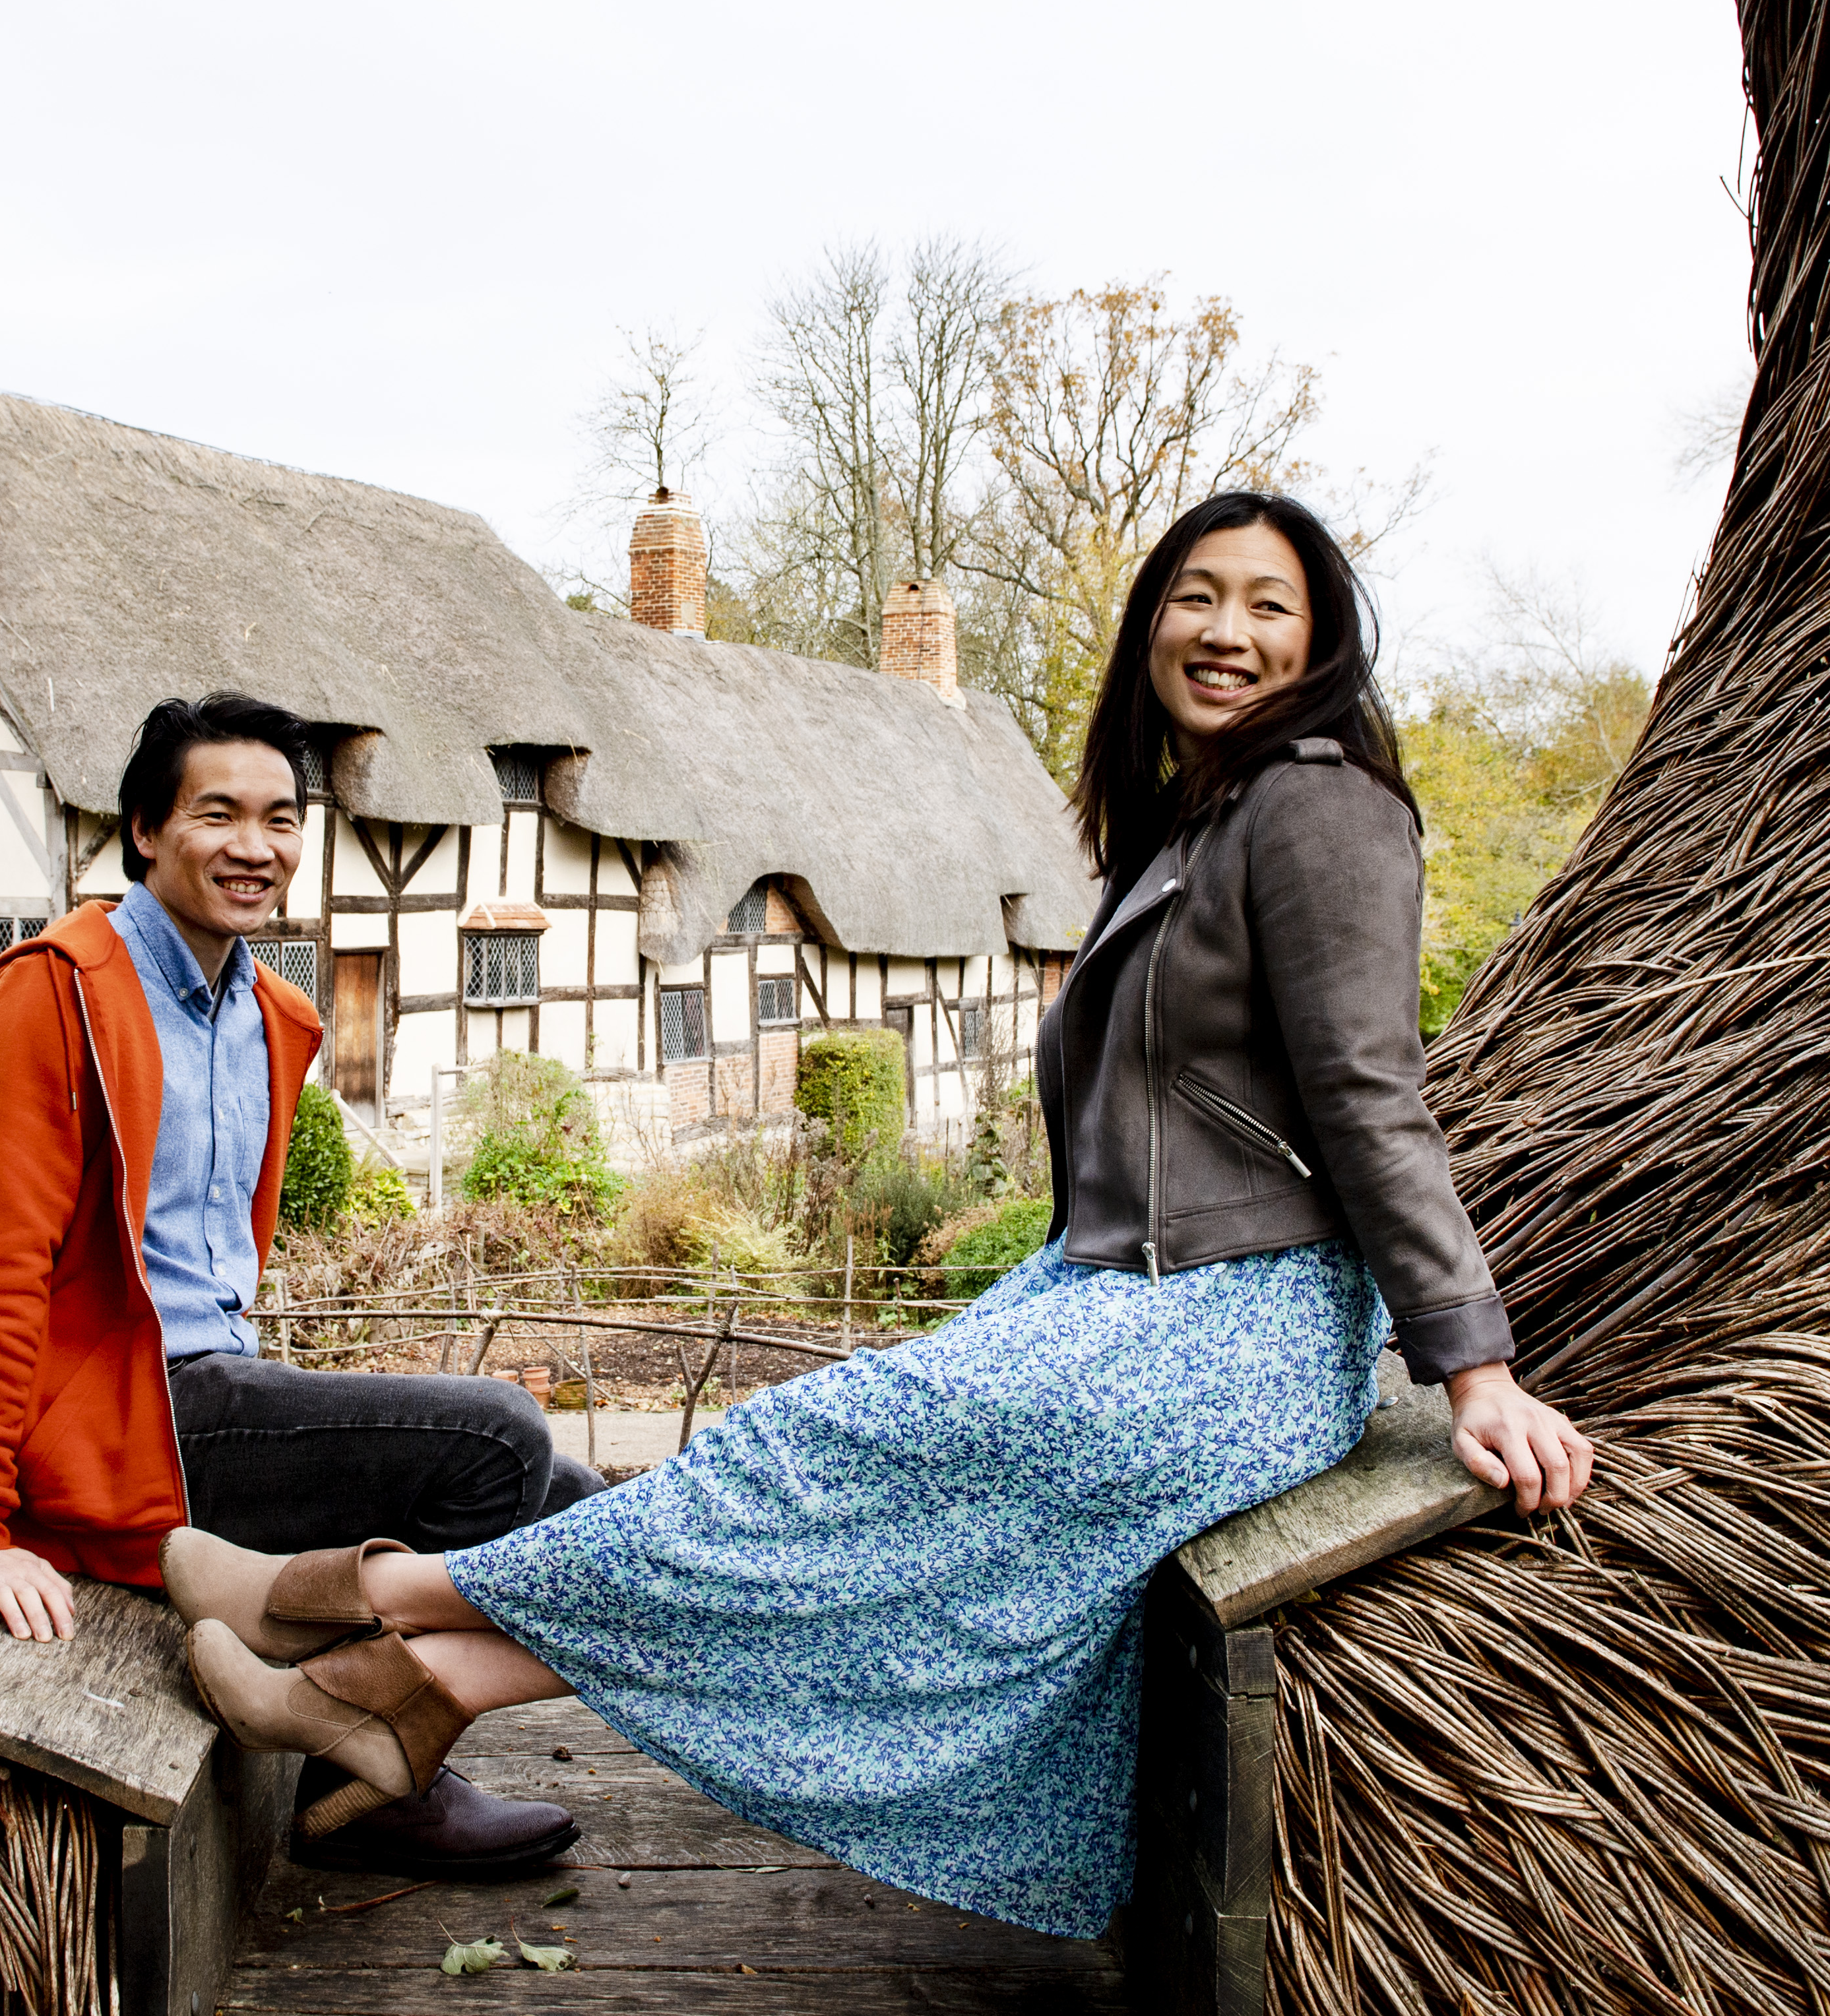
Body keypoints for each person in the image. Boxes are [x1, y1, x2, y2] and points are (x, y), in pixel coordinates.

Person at [155, 494, 1596, 1933]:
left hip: (1243, 1318)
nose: (1225, 631)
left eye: (1269, 605)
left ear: (1323, 638)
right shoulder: (1191, 820)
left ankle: (360, 1601)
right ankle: (416, 1691)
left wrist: (1473, 1360)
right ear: (1151, 617)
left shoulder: (1321, 804)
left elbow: (1367, 1091)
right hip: (1127, 1290)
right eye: (1195, 595)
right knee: (822, 1476)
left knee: (809, 1455)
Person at [0, 691, 605, 1875]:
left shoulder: (274, 1016)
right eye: (216, 813)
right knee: (497, 1441)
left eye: (281, 819)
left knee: (581, 1510)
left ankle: (347, 1714)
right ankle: (368, 1766)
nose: (255, 846)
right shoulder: (54, 997)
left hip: (219, 1391)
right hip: (128, 1427)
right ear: (143, 829)